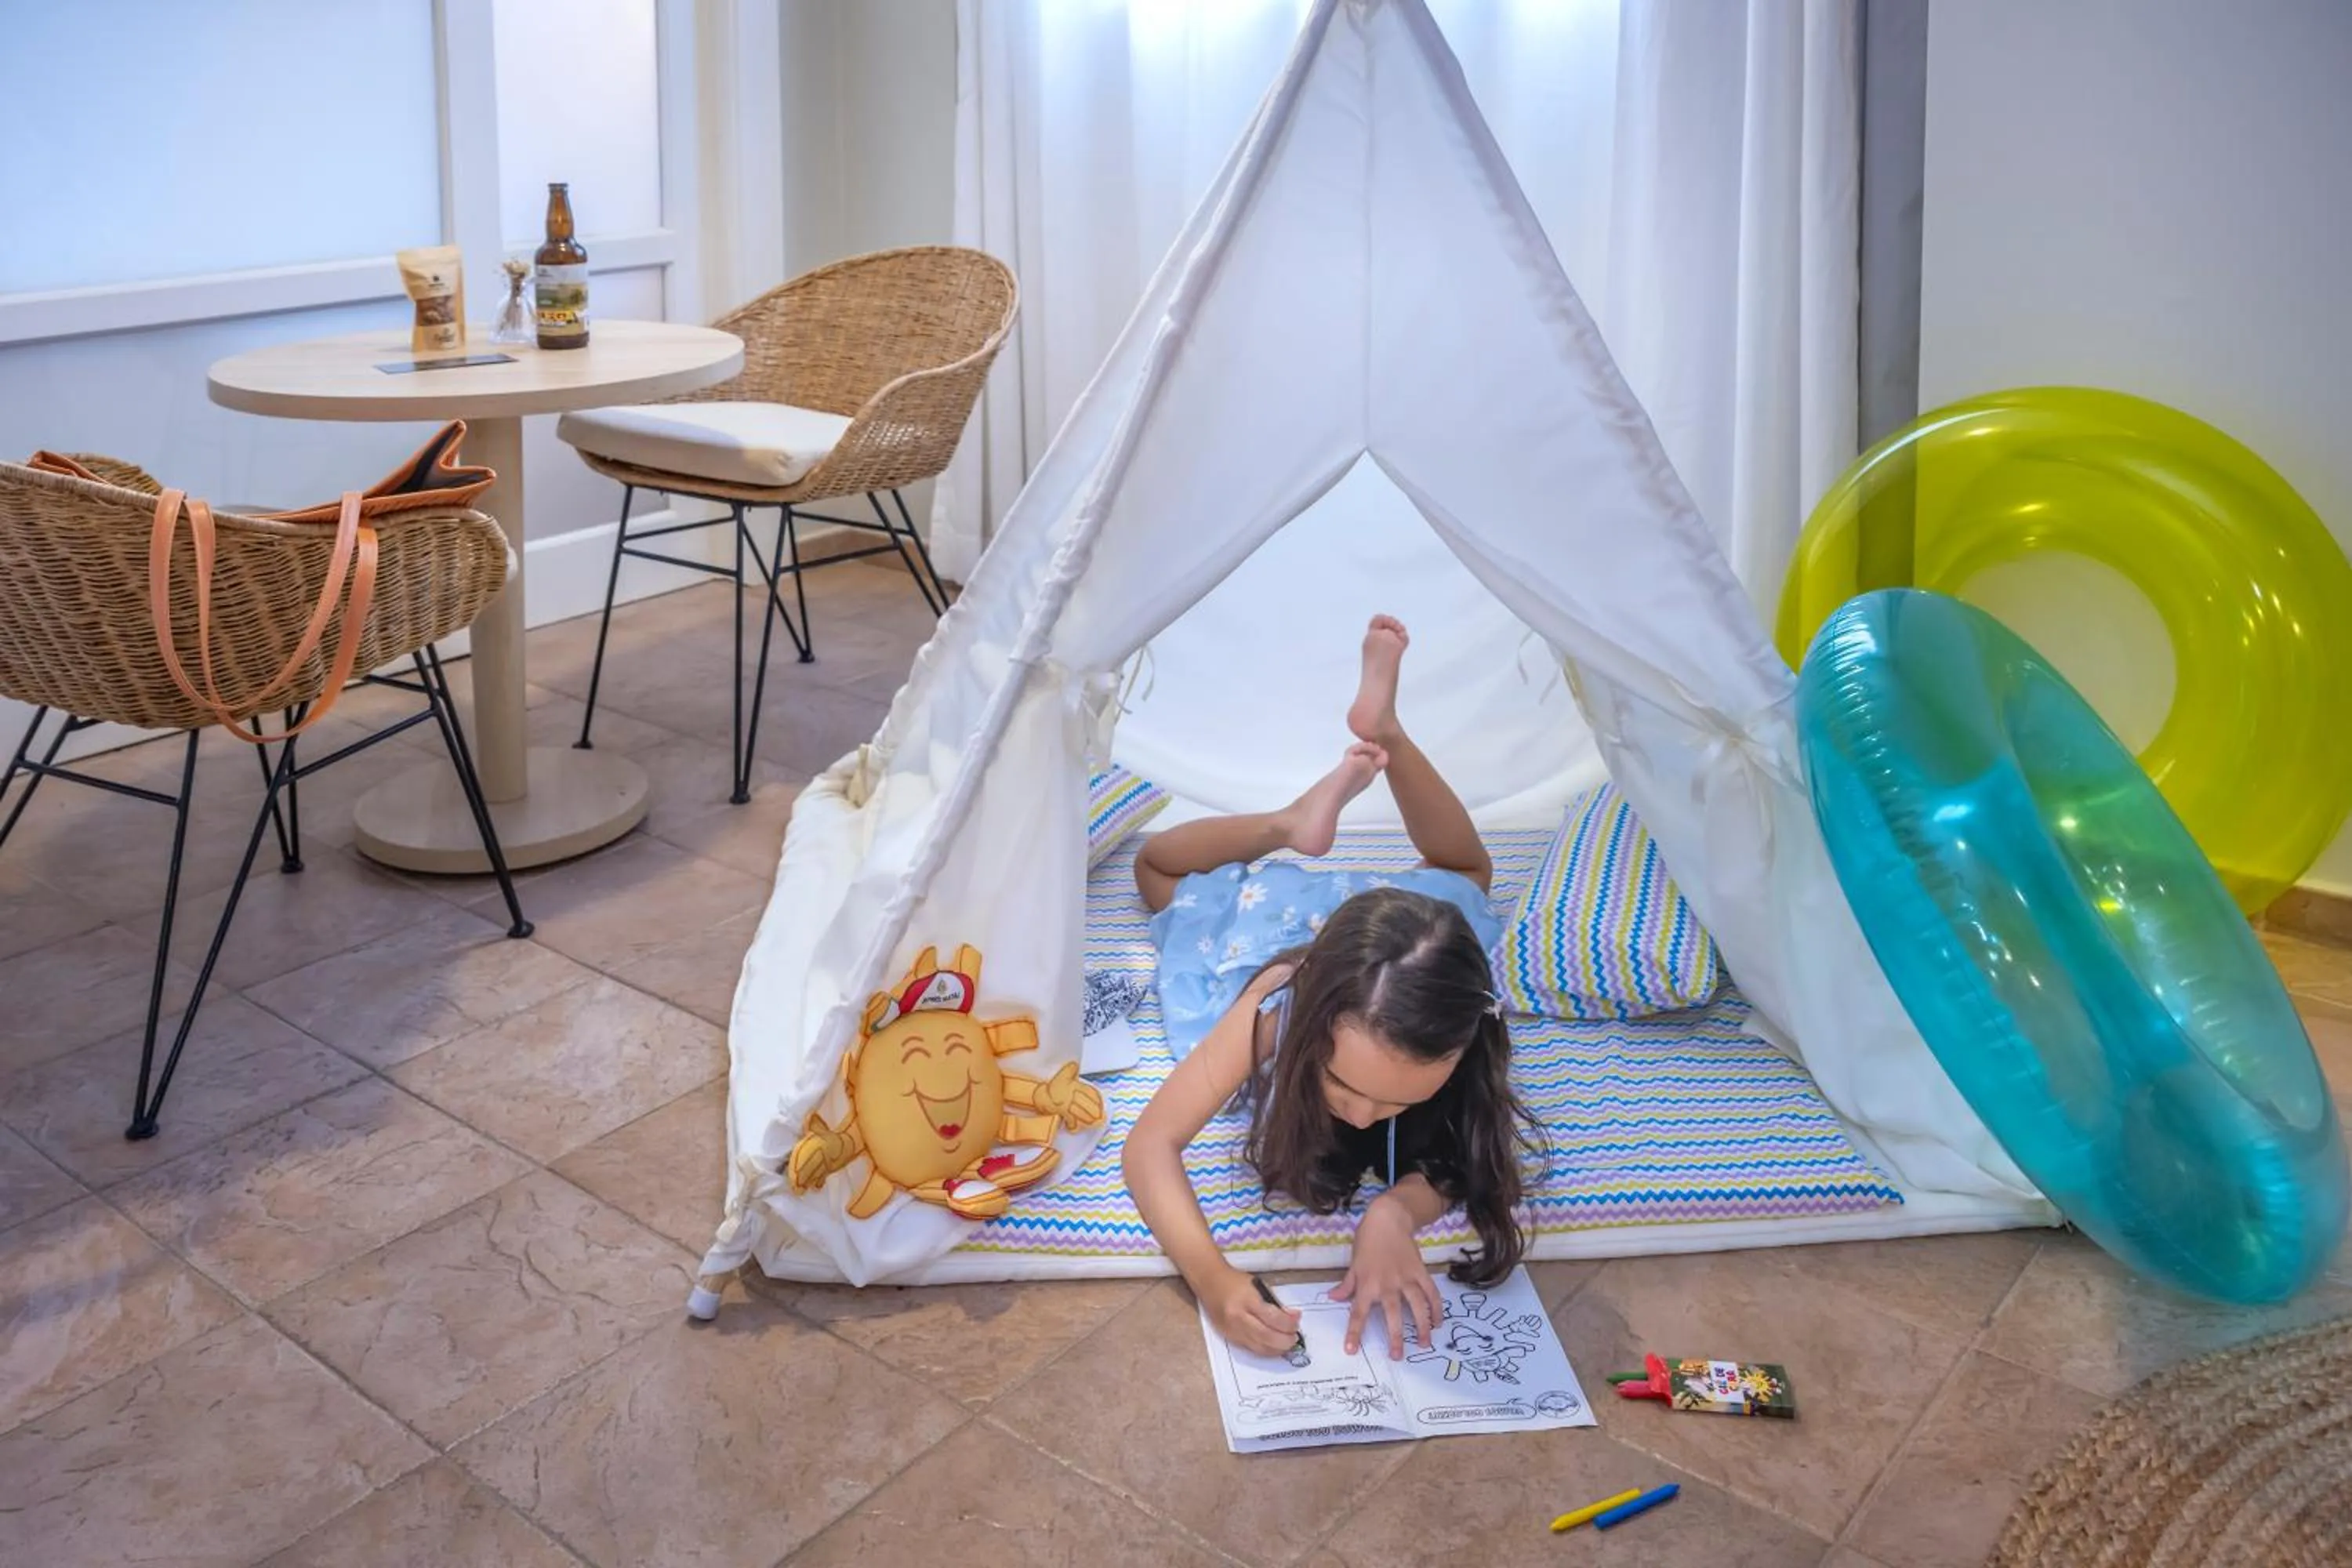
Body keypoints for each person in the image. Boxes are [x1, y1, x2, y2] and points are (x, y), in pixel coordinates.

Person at [1122, 616, 1538, 1361]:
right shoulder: (1275, 1005)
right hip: (1277, 930)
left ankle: (1388, 733)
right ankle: (1290, 824)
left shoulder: (1457, 1007)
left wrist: (1392, 1215)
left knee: (1466, 880)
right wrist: (1213, 1279)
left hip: (1398, 935)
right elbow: (1151, 1144)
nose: (1363, 1114)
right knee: (1156, 870)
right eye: (1344, 1084)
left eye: (1397, 1102)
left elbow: (1464, 1156)